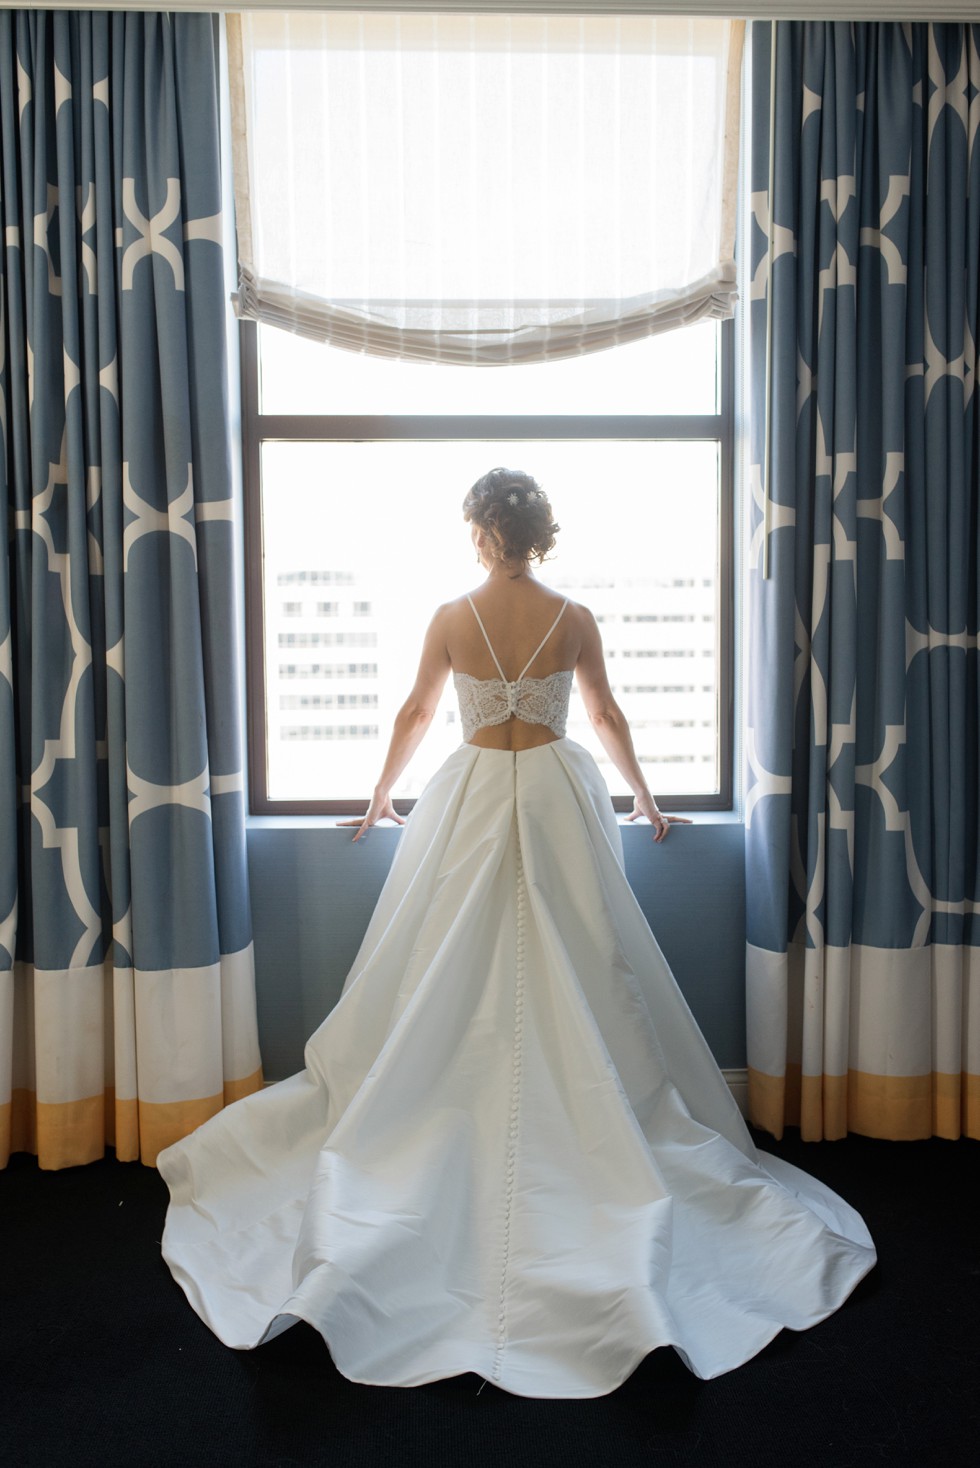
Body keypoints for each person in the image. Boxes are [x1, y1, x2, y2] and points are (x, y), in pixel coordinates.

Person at [158, 468, 875, 1400]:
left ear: (483, 533)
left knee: (445, 962)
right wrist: (645, 799)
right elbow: (607, 714)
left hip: (468, 797)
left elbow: (419, 713)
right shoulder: (572, 615)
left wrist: (382, 795)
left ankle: (449, 1106)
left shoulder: (452, 614)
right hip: (552, 793)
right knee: (578, 957)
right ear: (538, 533)